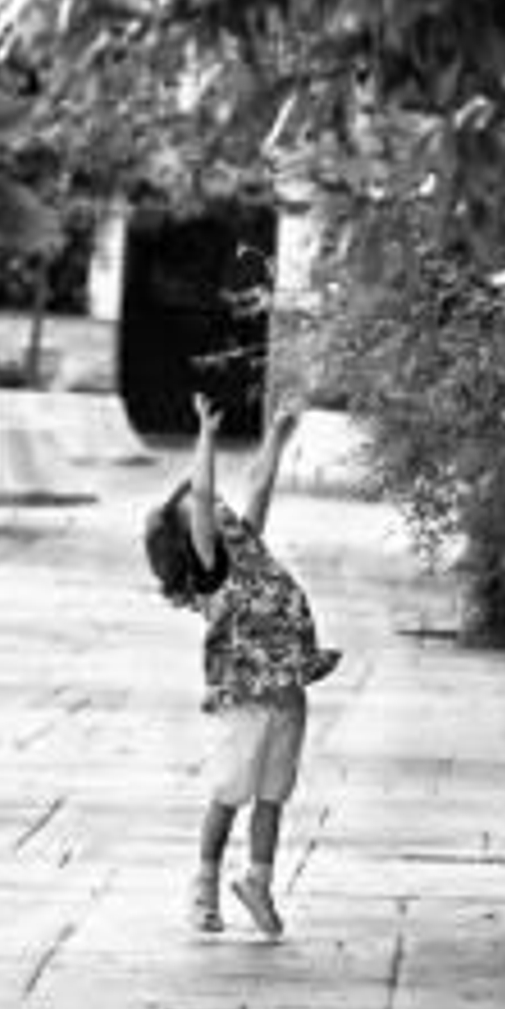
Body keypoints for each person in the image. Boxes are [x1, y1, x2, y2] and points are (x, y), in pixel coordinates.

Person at [144, 392, 341, 940]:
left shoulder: (247, 544)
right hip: (246, 696)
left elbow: (257, 486)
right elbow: (203, 493)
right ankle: (204, 885)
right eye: (202, 513)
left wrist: (277, 435)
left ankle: (257, 882)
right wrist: (205, 433)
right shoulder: (211, 568)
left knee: (273, 797)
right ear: (193, 535)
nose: (217, 508)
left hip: (287, 691)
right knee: (231, 793)